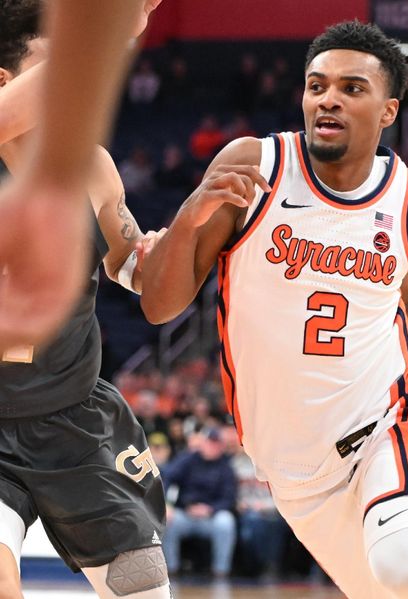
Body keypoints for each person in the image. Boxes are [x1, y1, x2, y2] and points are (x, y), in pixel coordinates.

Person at [142, 20, 408, 599]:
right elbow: (160, 306)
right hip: (292, 471)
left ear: (388, 111)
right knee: (395, 588)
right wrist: (191, 213)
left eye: (351, 88)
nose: (328, 99)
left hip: (388, 423)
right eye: (316, 86)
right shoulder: (256, 167)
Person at [0, 3, 171, 598]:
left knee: (143, 588)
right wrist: (116, 22)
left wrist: (172, 244)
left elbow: (131, 268)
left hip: (73, 415)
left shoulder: (92, 164)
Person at [0, 0, 157, 352]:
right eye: (51, 69)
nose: (72, 89)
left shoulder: (92, 164)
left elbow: (129, 264)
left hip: (72, 400)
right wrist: (113, 34)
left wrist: (181, 236)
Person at [161, 427, 238, 579]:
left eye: (216, 444)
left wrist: (210, 509)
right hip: (185, 513)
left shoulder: (226, 467)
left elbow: (229, 498)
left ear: (221, 446)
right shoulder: (188, 460)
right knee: (167, 520)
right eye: (210, 442)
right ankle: (170, 570)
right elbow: (167, 478)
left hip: (211, 516)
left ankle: (221, 571)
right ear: (203, 443)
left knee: (226, 522)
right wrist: (166, 504)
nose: (212, 447)